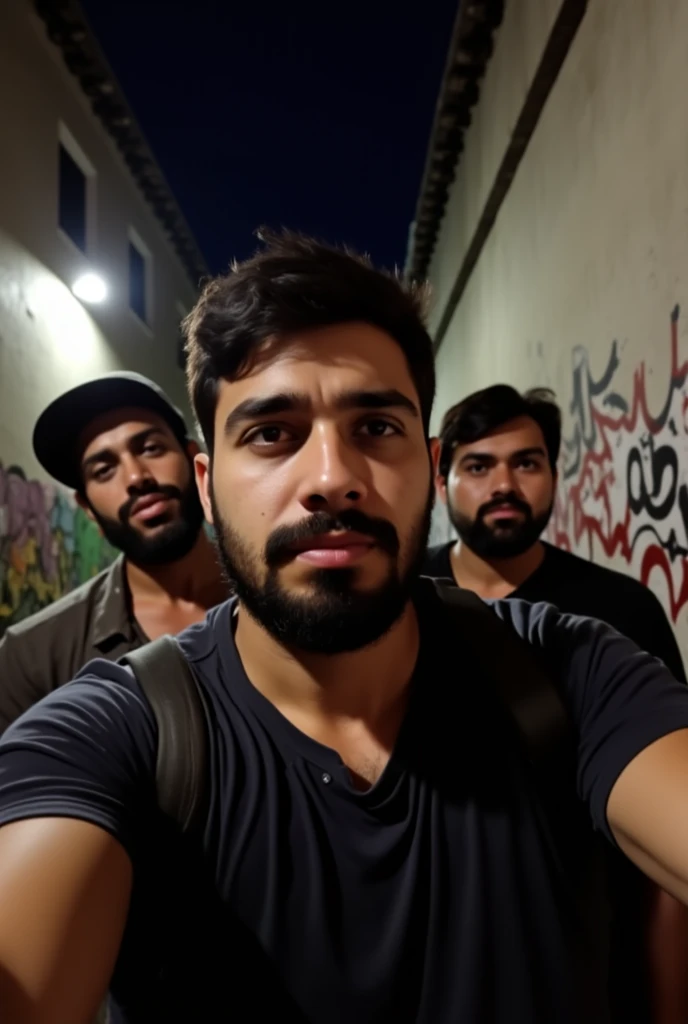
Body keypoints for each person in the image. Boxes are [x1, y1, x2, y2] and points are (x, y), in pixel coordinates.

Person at [2, 233, 688, 1024]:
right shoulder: (112, 733)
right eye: (270, 434)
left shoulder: (569, 668)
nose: (332, 478)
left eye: (376, 428)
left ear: (428, 467)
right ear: (208, 484)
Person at [424, 382, 688, 1022]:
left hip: (588, 958)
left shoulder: (623, 610)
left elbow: (660, 870)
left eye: (527, 462)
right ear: (442, 478)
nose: (504, 485)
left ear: (552, 474)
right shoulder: (396, 603)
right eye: (478, 466)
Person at [0, 371, 228, 734]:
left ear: (192, 459)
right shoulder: (33, 657)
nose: (137, 477)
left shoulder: (282, 592)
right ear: (87, 508)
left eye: (151, 448)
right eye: (104, 470)